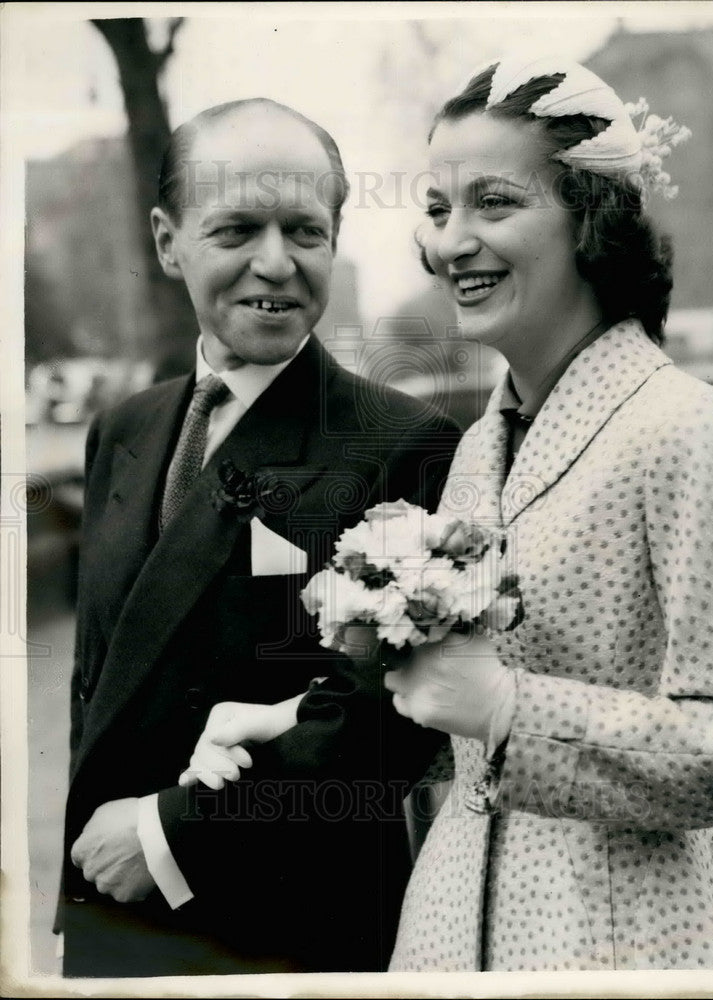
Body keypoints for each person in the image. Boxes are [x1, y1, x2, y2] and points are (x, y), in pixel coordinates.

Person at [194, 59, 713, 971]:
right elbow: (458, 715)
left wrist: (516, 711)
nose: (451, 243)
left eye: (494, 204)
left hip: (623, 943)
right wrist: (282, 720)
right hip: (447, 929)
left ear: (592, 217)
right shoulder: (479, 447)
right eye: (437, 210)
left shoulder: (690, 431)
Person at [60, 97, 460, 977]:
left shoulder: (404, 444)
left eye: (305, 231)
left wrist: (166, 837)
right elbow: (102, 681)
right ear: (168, 242)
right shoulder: (122, 428)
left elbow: (385, 727)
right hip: (108, 914)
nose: (275, 263)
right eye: (237, 228)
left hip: (285, 935)